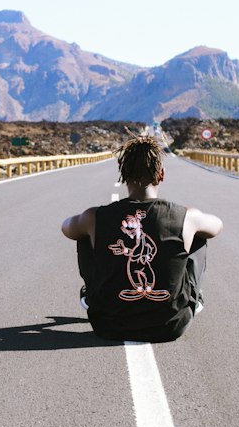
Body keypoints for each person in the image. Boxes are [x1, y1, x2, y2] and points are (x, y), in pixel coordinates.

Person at [61, 134, 223, 342]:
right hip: (171, 324)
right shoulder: (185, 216)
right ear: (161, 174)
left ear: (123, 175)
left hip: (108, 324)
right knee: (199, 234)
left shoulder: (95, 216)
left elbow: (66, 228)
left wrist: (91, 224)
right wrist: (191, 221)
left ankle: (92, 295)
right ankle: (193, 298)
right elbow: (217, 226)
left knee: (83, 233)